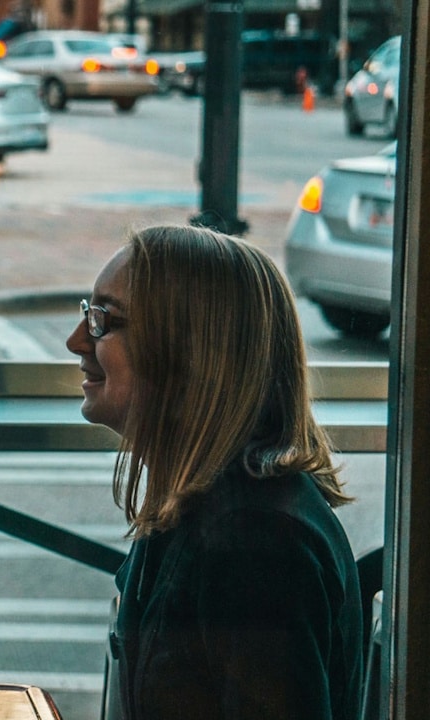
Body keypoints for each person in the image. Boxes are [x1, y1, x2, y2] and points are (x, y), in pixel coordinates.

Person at [66, 224, 364, 719]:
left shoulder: (255, 545)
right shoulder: (211, 504)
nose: (77, 340)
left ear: (188, 349)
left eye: (103, 320)